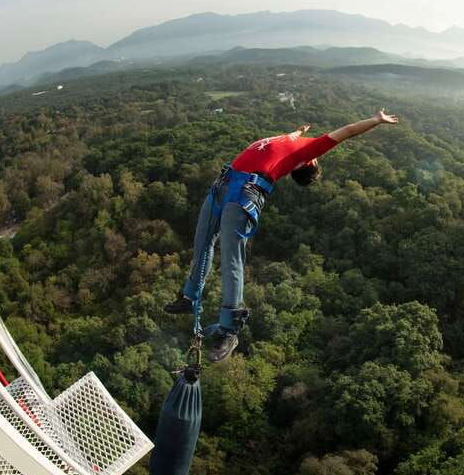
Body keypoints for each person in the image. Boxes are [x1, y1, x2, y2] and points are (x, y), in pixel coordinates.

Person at [164, 109, 399, 361]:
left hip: (244, 193)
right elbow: (287, 138)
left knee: (231, 257)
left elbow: (348, 131)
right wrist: (299, 130)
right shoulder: (294, 141)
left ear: (309, 162)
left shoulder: (306, 152)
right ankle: (190, 297)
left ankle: (229, 329)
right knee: (202, 243)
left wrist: (375, 121)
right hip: (224, 184)